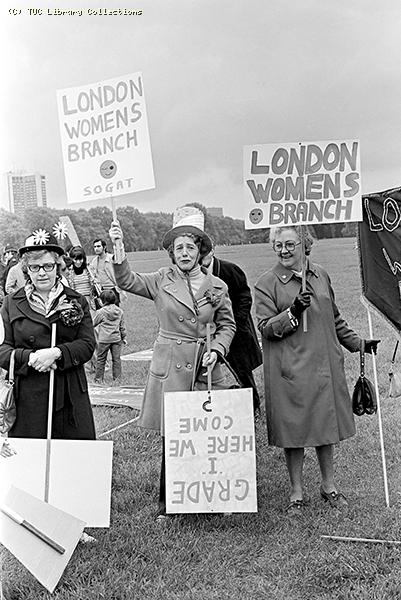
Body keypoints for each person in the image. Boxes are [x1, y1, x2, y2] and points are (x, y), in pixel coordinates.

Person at [109, 205, 236, 521]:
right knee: (175, 435)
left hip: (205, 368)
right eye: (178, 248)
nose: (184, 252)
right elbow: (126, 280)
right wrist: (118, 248)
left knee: (207, 433)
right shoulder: (160, 280)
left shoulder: (217, 286)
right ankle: (171, 504)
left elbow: (228, 325)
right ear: (171, 253)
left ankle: (212, 499)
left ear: (200, 251)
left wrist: (217, 349)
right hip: (171, 367)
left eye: (190, 247)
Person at [254, 225, 380, 516]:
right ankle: (296, 492)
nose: (283, 250)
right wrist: (292, 312)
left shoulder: (320, 274)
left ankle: (329, 486)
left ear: (305, 243)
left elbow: (334, 318)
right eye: (278, 245)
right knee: (294, 431)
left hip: (324, 366)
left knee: (326, 427)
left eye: (290, 244)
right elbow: (265, 329)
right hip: (290, 369)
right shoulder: (266, 282)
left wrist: (358, 343)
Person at [0, 231, 96, 439]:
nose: (42, 273)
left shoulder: (76, 300)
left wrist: (57, 353)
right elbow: (3, 350)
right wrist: (31, 358)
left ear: (58, 266)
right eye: (35, 267)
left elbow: (88, 344)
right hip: (28, 396)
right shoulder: (10, 303)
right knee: (31, 464)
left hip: (69, 393)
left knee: (73, 461)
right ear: (26, 269)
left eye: (48, 266)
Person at [202, 245, 263, 418]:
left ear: (212, 251)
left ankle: (253, 406)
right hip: (208, 332)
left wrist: (234, 321)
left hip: (235, 330)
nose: (202, 257)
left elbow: (245, 296)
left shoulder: (230, 270)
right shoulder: (194, 274)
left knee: (242, 370)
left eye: (206, 253)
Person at [93, 289, 127, 383]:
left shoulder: (101, 312)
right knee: (116, 360)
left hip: (104, 339)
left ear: (103, 300)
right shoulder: (120, 311)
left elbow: (93, 323)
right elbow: (122, 327)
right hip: (116, 339)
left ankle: (98, 379)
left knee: (101, 360)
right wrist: (123, 337)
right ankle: (117, 379)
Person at [89, 238, 123, 305]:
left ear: (104, 247)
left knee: (114, 312)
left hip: (112, 290)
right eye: (95, 247)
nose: (96, 248)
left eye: (98, 246)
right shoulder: (94, 261)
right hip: (101, 290)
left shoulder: (111, 258)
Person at [67, 246, 96, 312]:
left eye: (80, 259)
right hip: (77, 301)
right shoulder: (69, 272)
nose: (78, 262)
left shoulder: (89, 270)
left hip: (90, 301)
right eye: (75, 259)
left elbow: (95, 284)